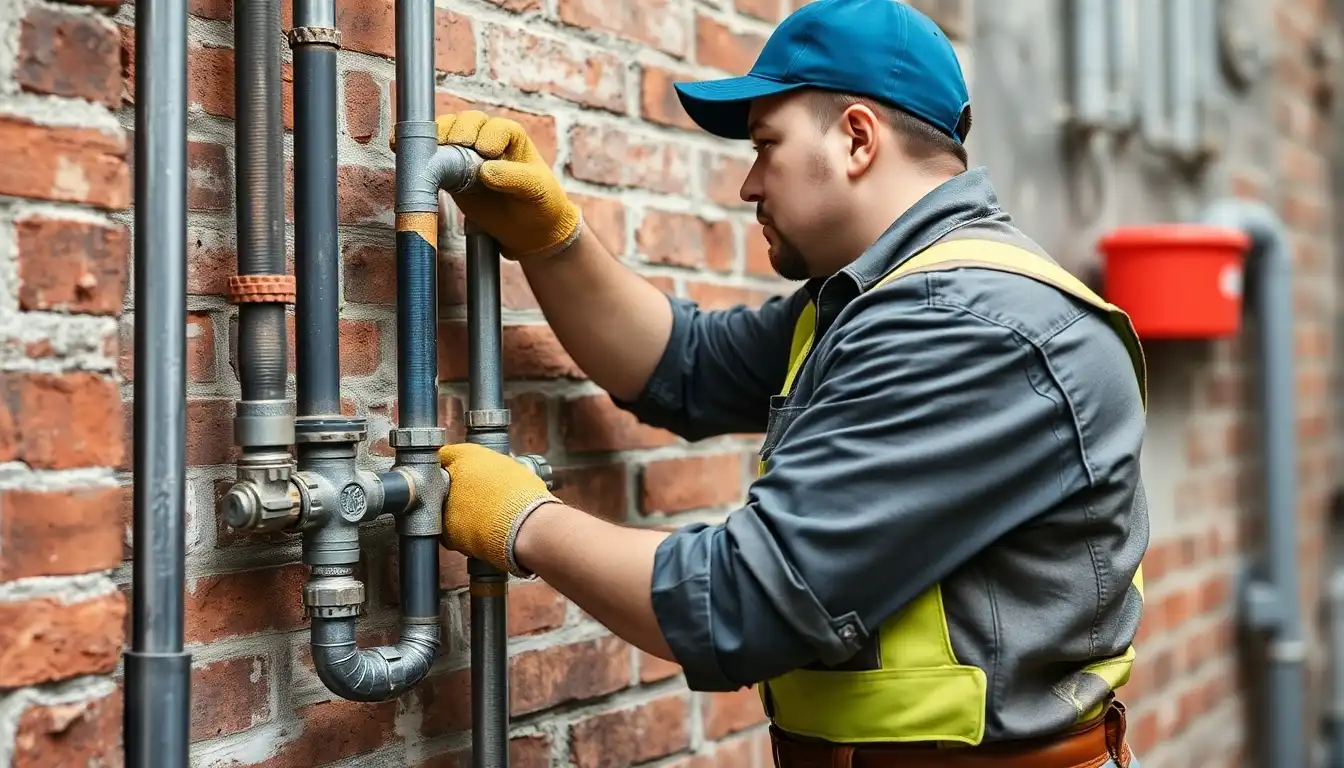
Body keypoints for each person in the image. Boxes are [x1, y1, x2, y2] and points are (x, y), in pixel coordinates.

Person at [430, 0, 1149, 765]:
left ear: (857, 139)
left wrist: (522, 522)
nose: (748, 184)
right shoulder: (876, 299)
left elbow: (742, 602)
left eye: (766, 144)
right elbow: (683, 364)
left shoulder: (968, 327)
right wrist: (553, 239)